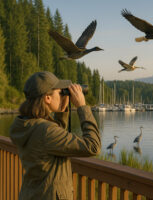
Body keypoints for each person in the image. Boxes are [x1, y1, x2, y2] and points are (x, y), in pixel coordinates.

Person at [9, 71, 101, 200]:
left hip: (32, 194)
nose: (63, 95)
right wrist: (82, 107)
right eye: (60, 92)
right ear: (47, 98)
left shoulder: (25, 124)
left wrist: (61, 111)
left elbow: (54, 143)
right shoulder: (45, 130)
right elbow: (93, 146)